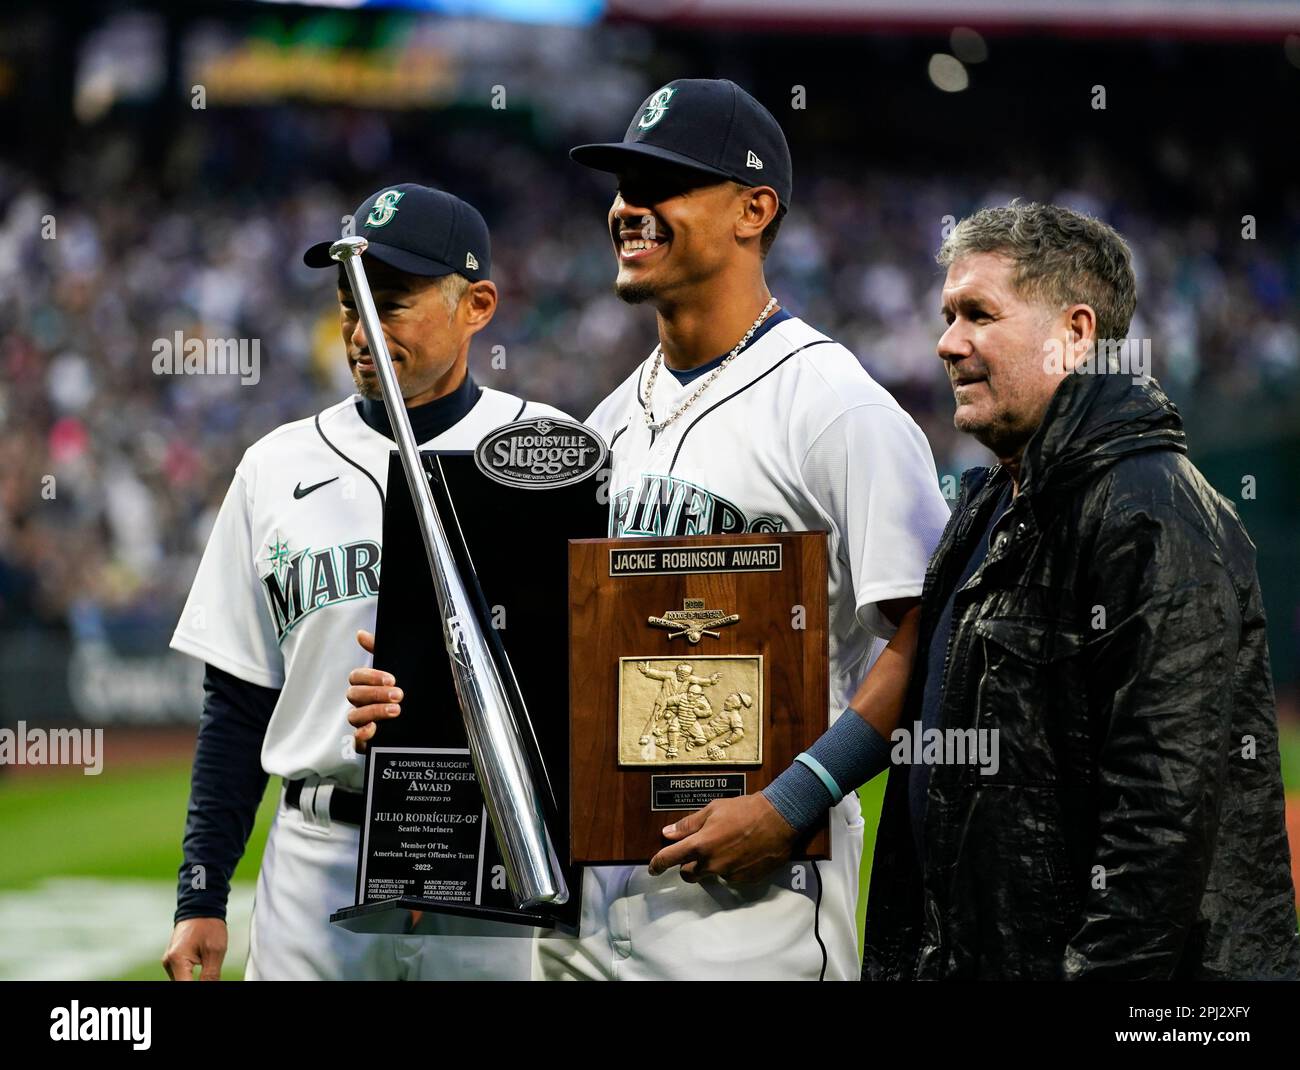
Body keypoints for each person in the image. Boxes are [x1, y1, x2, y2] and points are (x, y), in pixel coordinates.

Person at [350, 79, 948, 980]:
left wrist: (795, 801)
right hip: (587, 906)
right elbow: (564, 664)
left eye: (662, 182)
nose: (629, 208)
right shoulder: (603, 430)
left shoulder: (835, 406)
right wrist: (423, 697)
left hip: (751, 914)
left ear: (754, 210)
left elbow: (930, 634)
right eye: (623, 185)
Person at [856, 201, 1300, 979]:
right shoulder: (990, 504)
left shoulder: (1153, 509)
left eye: (978, 314)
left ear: (1077, 333)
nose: (946, 342)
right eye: (947, 315)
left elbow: (1159, 824)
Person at [163, 184, 570, 981]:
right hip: (319, 857)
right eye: (349, 305)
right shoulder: (276, 466)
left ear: (477, 305)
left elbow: (587, 684)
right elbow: (239, 703)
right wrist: (201, 894)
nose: (361, 333)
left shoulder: (549, 453)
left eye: (392, 305)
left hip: (481, 852)